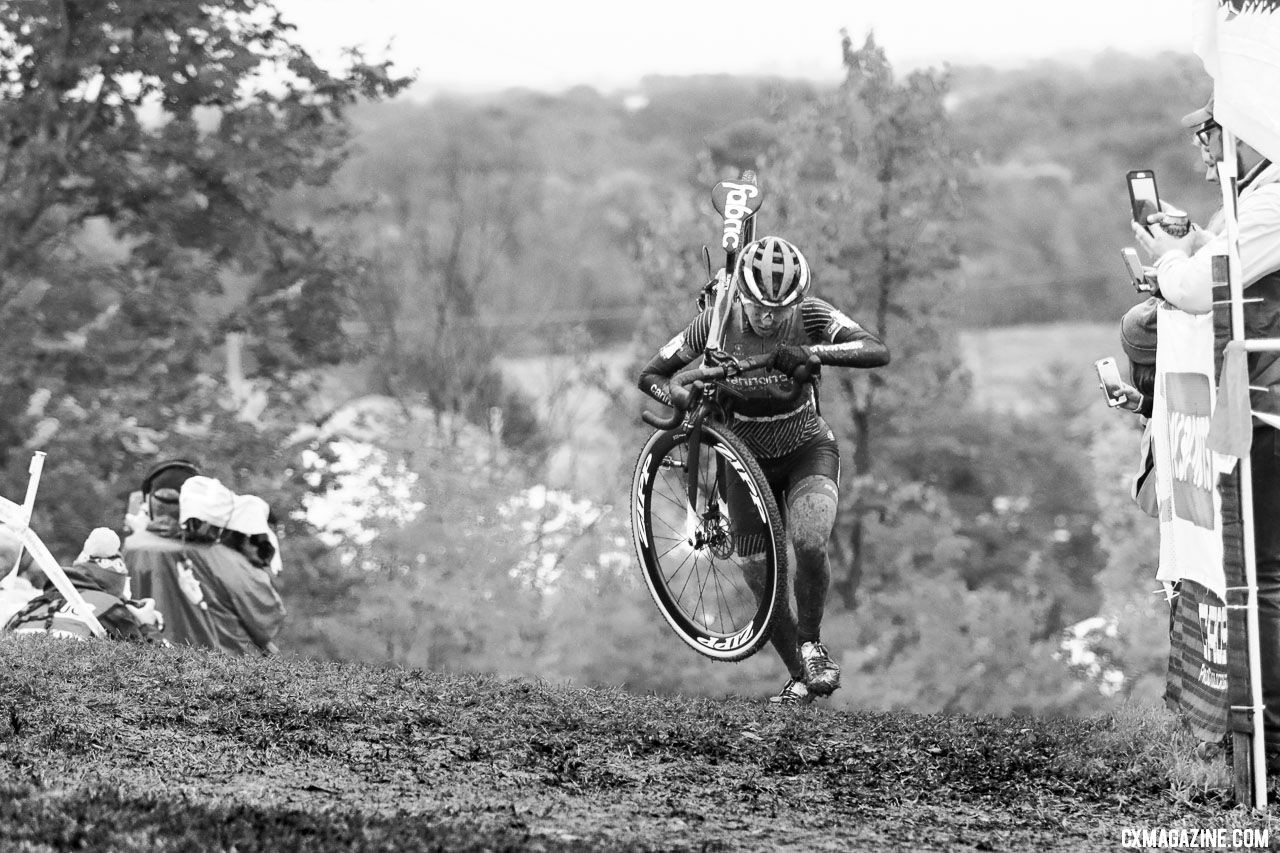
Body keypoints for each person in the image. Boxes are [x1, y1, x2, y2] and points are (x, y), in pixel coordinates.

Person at [637, 235, 890, 706]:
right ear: (742, 296)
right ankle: (799, 676)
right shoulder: (713, 326)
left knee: (811, 540)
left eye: (781, 308)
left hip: (805, 447)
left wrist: (814, 353)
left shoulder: (809, 315)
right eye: (759, 307)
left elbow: (875, 349)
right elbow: (650, 377)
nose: (770, 317)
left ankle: (813, 646)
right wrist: (682, 394)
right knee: (760, 577)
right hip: (743, 461)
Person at [1132, 98, 1280, 762]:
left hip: (1266, 405)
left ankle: (1268, 743)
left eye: (1209, 130)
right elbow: (1216, 265)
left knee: (1266, 576)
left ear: (1247, 131)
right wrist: (1185, 252)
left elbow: (1205, 286)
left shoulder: (1273, 198)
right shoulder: (1250, 198)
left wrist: (1169, 266)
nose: (1202, 144)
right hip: (1255, 403)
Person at [5, 527, 165, 643]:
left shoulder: (33, 605)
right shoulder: (112, 609)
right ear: (115, 586)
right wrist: (147, 624)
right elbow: (155, 665)